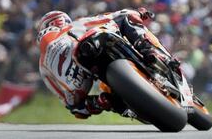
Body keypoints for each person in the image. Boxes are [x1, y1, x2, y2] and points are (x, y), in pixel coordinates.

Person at [37, 8, 180, 119]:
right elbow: (111, 16)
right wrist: (138, 13)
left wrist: (94, 104)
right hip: (94, 42)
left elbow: (71, 106)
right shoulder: (75, 25)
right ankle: (154, 52)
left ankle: (111, 103)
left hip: (80, 78)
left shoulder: (42, 65)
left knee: (95, 102)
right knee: (127, 17)